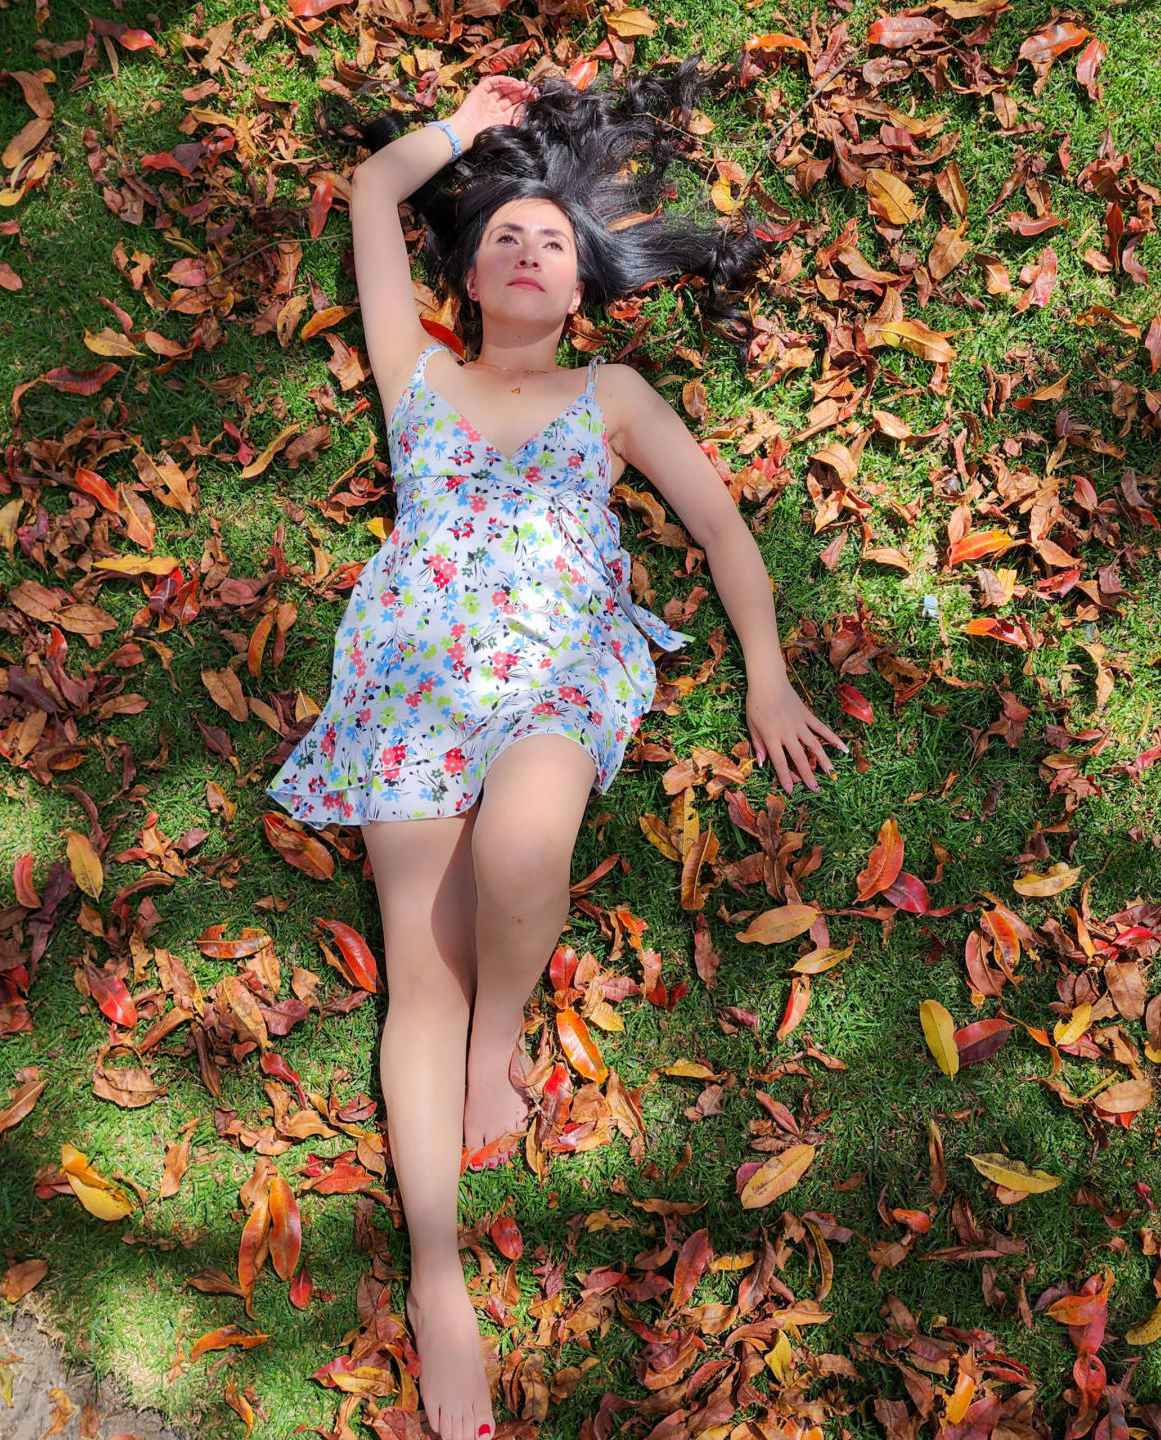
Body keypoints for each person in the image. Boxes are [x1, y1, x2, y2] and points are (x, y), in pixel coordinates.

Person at [265, 55, 849, 1440]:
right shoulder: (417, 375)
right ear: (469, 279)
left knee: (525, 851)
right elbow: (370, 193)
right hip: (412, 678)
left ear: (583, 290)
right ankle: (439, 1284)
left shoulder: (614, 395)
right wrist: (462, 128)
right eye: (504, 238)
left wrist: (767, 676)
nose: (529, 251)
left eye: (553, 243)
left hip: (557, 670)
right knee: (419, 973)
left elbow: (721, 529)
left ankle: (502, 1031)